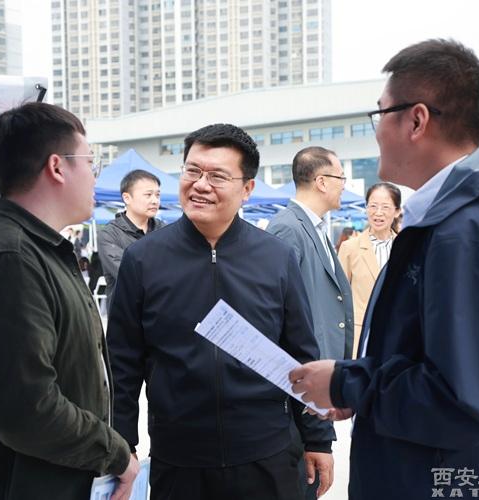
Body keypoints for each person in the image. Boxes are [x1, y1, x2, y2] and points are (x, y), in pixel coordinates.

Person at [289, 39, 479, 499]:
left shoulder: (469, 230)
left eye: (380, 114)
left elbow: (469, 400)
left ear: (416, 120)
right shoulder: (456, 220)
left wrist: (348, 384)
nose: (376, 131)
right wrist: (356, 389)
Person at [108, 124, 334, 500]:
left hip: (266, 454)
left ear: (247, 188)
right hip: (179, 460)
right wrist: (122, 444)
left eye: (217, 176)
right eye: (192, 171)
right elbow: (123, 363)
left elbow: (301, 352)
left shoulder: (276, 257)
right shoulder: (143, 259)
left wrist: (318, 439)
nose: (200, 184)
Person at [0, 102, 139, 500]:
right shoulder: (11, 259)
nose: (94, 176)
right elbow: (27, 409)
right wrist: (115, 454)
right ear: (57, 167)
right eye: (90, 162)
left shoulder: (40, 250)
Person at [266, 146, 352, 499]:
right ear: (321, 181)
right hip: (301, 397)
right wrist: (315, 432)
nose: (344, 185)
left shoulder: (314, 228)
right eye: (341, 177)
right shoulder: (288, 230)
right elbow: (285, 327)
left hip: (318, 392)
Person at [337, 182, 401, 358]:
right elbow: (340, 296)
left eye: (385, 207)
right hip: (360, 335)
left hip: (396, 334)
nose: (378, 213)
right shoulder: (350, 248)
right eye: (373, 206)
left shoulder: (405, 248)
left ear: (396, 211)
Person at [96, 169, 164, 309]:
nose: (155, 200)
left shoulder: (164, 230)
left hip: (161, 311)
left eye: (157, 195)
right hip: (126, 315)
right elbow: (129, 274)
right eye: (148, 195)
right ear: (127, 198)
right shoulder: (109, 234)